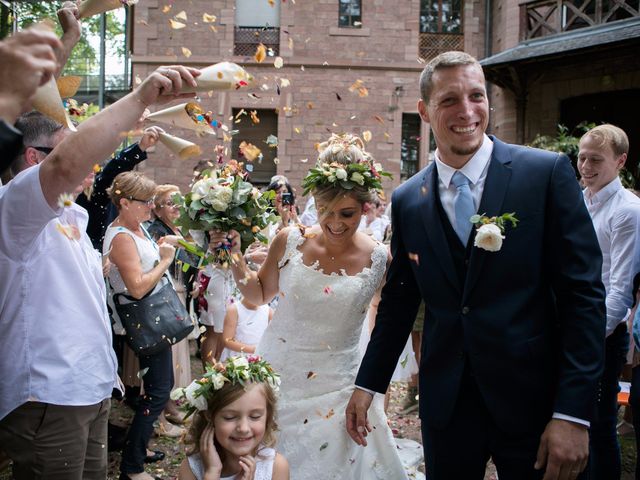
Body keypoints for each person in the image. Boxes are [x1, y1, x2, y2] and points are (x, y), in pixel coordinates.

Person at [347, 51, 606, 480]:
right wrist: (368, 384)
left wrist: (573, 413)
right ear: (425, 112)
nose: (467, 111)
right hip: (448, 406)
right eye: (450, 100)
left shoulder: (544, 174)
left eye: (476, 96)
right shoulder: (409, 199)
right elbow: (398, 303)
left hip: (535, 402)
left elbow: (583, 297)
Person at [0, 55, 199, 479]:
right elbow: (66, 164)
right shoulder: (16, 210)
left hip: (89, 389)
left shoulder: (74, 217)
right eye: (73, 150)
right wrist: (142, 96)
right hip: (50, 397)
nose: (88, 167)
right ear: (35, 160)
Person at [210, 134, 422, 479]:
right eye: (325, 211)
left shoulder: (380, 259)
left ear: (366, 207)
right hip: (278, 373)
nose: (335, 222)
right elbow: (258, 294)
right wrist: (234, 257)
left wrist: (370, 387)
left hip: (341, 386)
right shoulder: (289, 240)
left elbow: (390, 323)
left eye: (347, 213)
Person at [103, 171, 179, 480]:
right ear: (124, 202)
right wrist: (164, 260)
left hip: (154, 318)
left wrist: (160, 246)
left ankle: (135, 456)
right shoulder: (120, 236)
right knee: (159, 391)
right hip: (144, 321)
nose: (151, 207)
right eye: (145, 202)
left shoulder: (136, 229)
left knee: (160, 388)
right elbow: (135, 287)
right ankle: (132, 466)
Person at [577, 124, 640, 479]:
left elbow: (619, 291)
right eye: (582, 157)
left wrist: (589, 336)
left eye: (595, 160)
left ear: (620, 161)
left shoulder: (628, 211)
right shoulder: (577, 197)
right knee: (573, 418)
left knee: (600, 423)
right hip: (571, 324)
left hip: (602, 333)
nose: (585, 166)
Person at [175, 356, 289, 480]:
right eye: (230, 417)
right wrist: (211, 474)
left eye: (255, 416)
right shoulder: (192, 468)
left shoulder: (276, 467)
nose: (243, 428)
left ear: (267, 416)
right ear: (209, 416)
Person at [148, 183, 194, 434]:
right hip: (165, 294)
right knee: (166, 357)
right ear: (157, 209)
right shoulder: (156, 231)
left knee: (176, 355)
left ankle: (171, 407)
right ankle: (161, 417)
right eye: (169, 202)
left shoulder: (180, 229)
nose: (176, 207)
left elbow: (194, 259)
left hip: (181, 292)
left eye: (179, 201)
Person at [219, 295, 273, 362]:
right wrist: (254, 350)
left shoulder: (268, 311)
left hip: (259, 358)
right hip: (236, 358)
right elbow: (228, 340)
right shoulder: (234, 310)